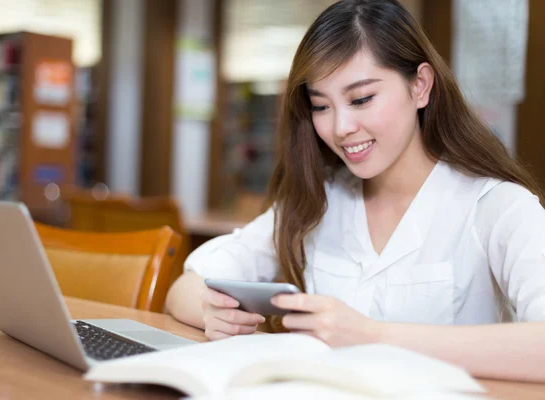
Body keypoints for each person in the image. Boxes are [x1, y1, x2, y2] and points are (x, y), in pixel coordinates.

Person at [165, 0, 545, 382]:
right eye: (321, 106)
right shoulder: (320, 201)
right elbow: (185, 287)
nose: (341, 127)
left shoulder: (498, 207)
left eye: (361, 99)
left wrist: (374, 336)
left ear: (420, 86)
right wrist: (214, 312)